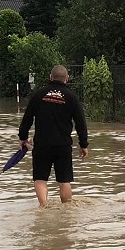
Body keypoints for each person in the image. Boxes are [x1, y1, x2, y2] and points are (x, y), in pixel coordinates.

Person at [18, 65, 89, 207]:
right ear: (67, 79)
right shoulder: (71, 97)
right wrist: (83, 145)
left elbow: (27, 118)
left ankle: (44, 208)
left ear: (51, 77)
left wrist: (23, 137)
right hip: (63, 145)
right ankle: (67, 212)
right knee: (64, 180)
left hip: (42, 145)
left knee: (40, 179)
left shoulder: (39, 94)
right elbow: (81, 123)